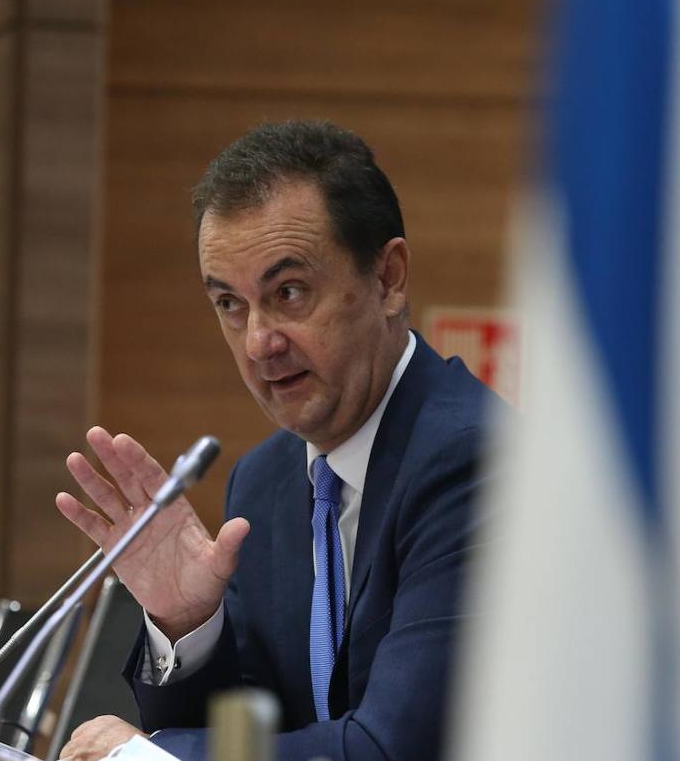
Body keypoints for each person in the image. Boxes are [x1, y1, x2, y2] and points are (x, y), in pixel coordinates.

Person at [56, 120, 496, 761]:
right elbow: (250, 736)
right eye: (231, 304)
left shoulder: (476, 460)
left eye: (288, 292)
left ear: (388, 278)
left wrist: (157, 759)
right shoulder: (264, 483)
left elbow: (394, 748)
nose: (260, 342)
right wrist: (188, 626)